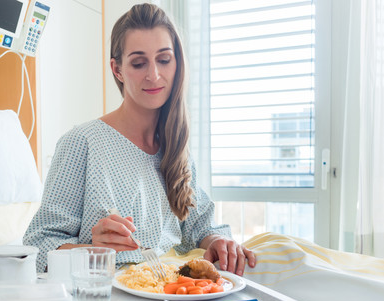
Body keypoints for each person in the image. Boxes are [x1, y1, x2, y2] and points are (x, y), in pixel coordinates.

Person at [23, 3, 256, 276]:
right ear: (118, 70)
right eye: (138, 62)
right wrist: (94, 250)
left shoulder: (176, 149)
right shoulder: (82, 143)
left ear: (177, 63)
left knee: (283, 254)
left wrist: (218, 242)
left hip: (175, 286)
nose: (154, 75)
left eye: (164, 59)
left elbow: (199, 226)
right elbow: (37, 247)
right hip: (115, 289)